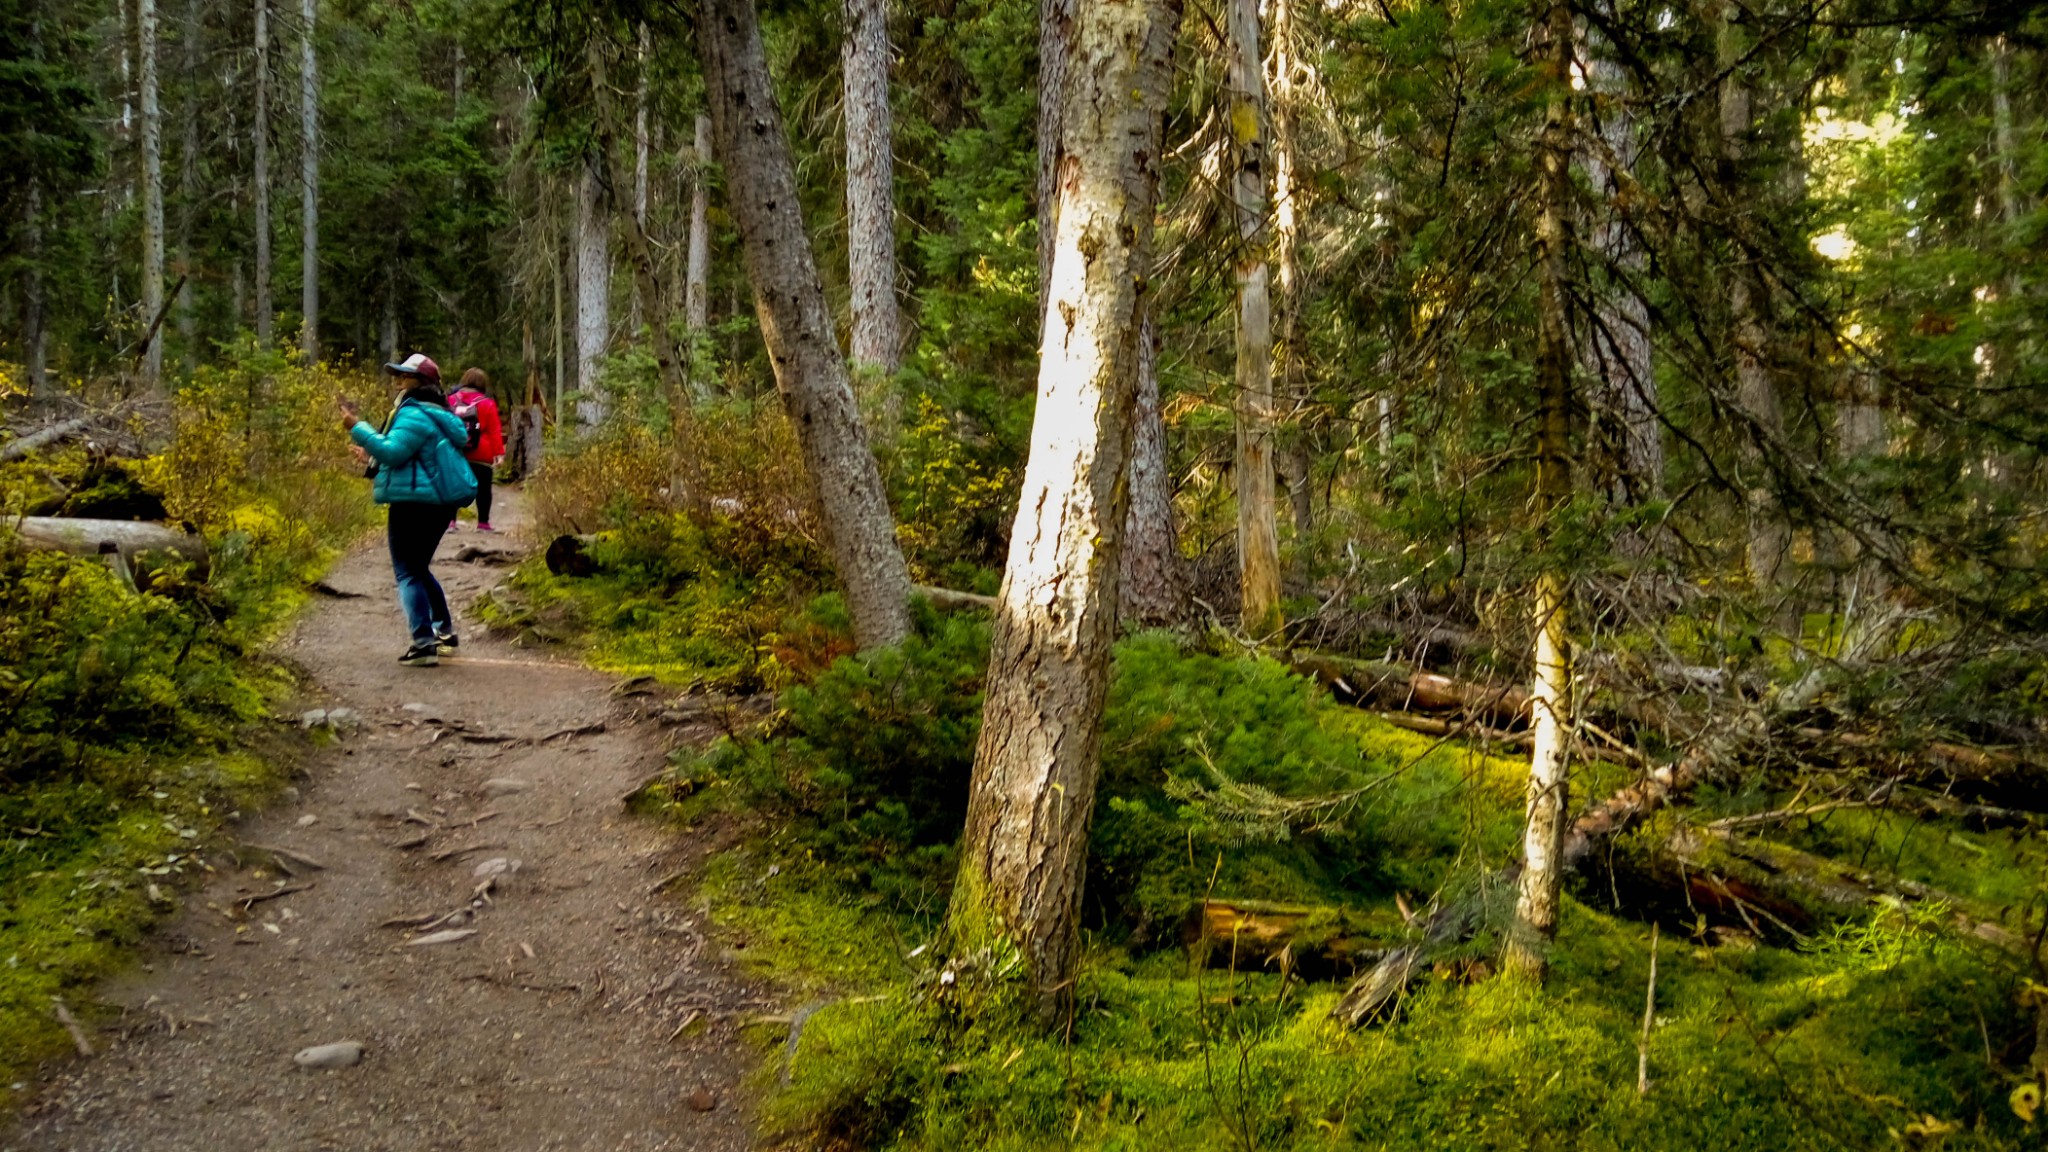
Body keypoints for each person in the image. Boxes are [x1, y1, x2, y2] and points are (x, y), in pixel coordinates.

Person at [341, 353, 479, 667]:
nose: (399, 382)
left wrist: (357, 427)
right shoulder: (438, 413)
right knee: (418, 568)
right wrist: (368, 455)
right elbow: (410, 456)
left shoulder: (414, 413)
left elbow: (392, 452)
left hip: (415, 503)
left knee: (407, 572)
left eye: (404, 377)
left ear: (419, 383)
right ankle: (444, 632)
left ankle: (422, 642)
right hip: (437, 503)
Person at [448, 368, 505, 531]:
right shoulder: (487, 403)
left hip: (456, 451)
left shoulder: (451, 400)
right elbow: (494, 430)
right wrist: (499, 454)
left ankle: (450, 521)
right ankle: (483, 522)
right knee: (484, 489)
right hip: (482, 453)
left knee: (454, 487)